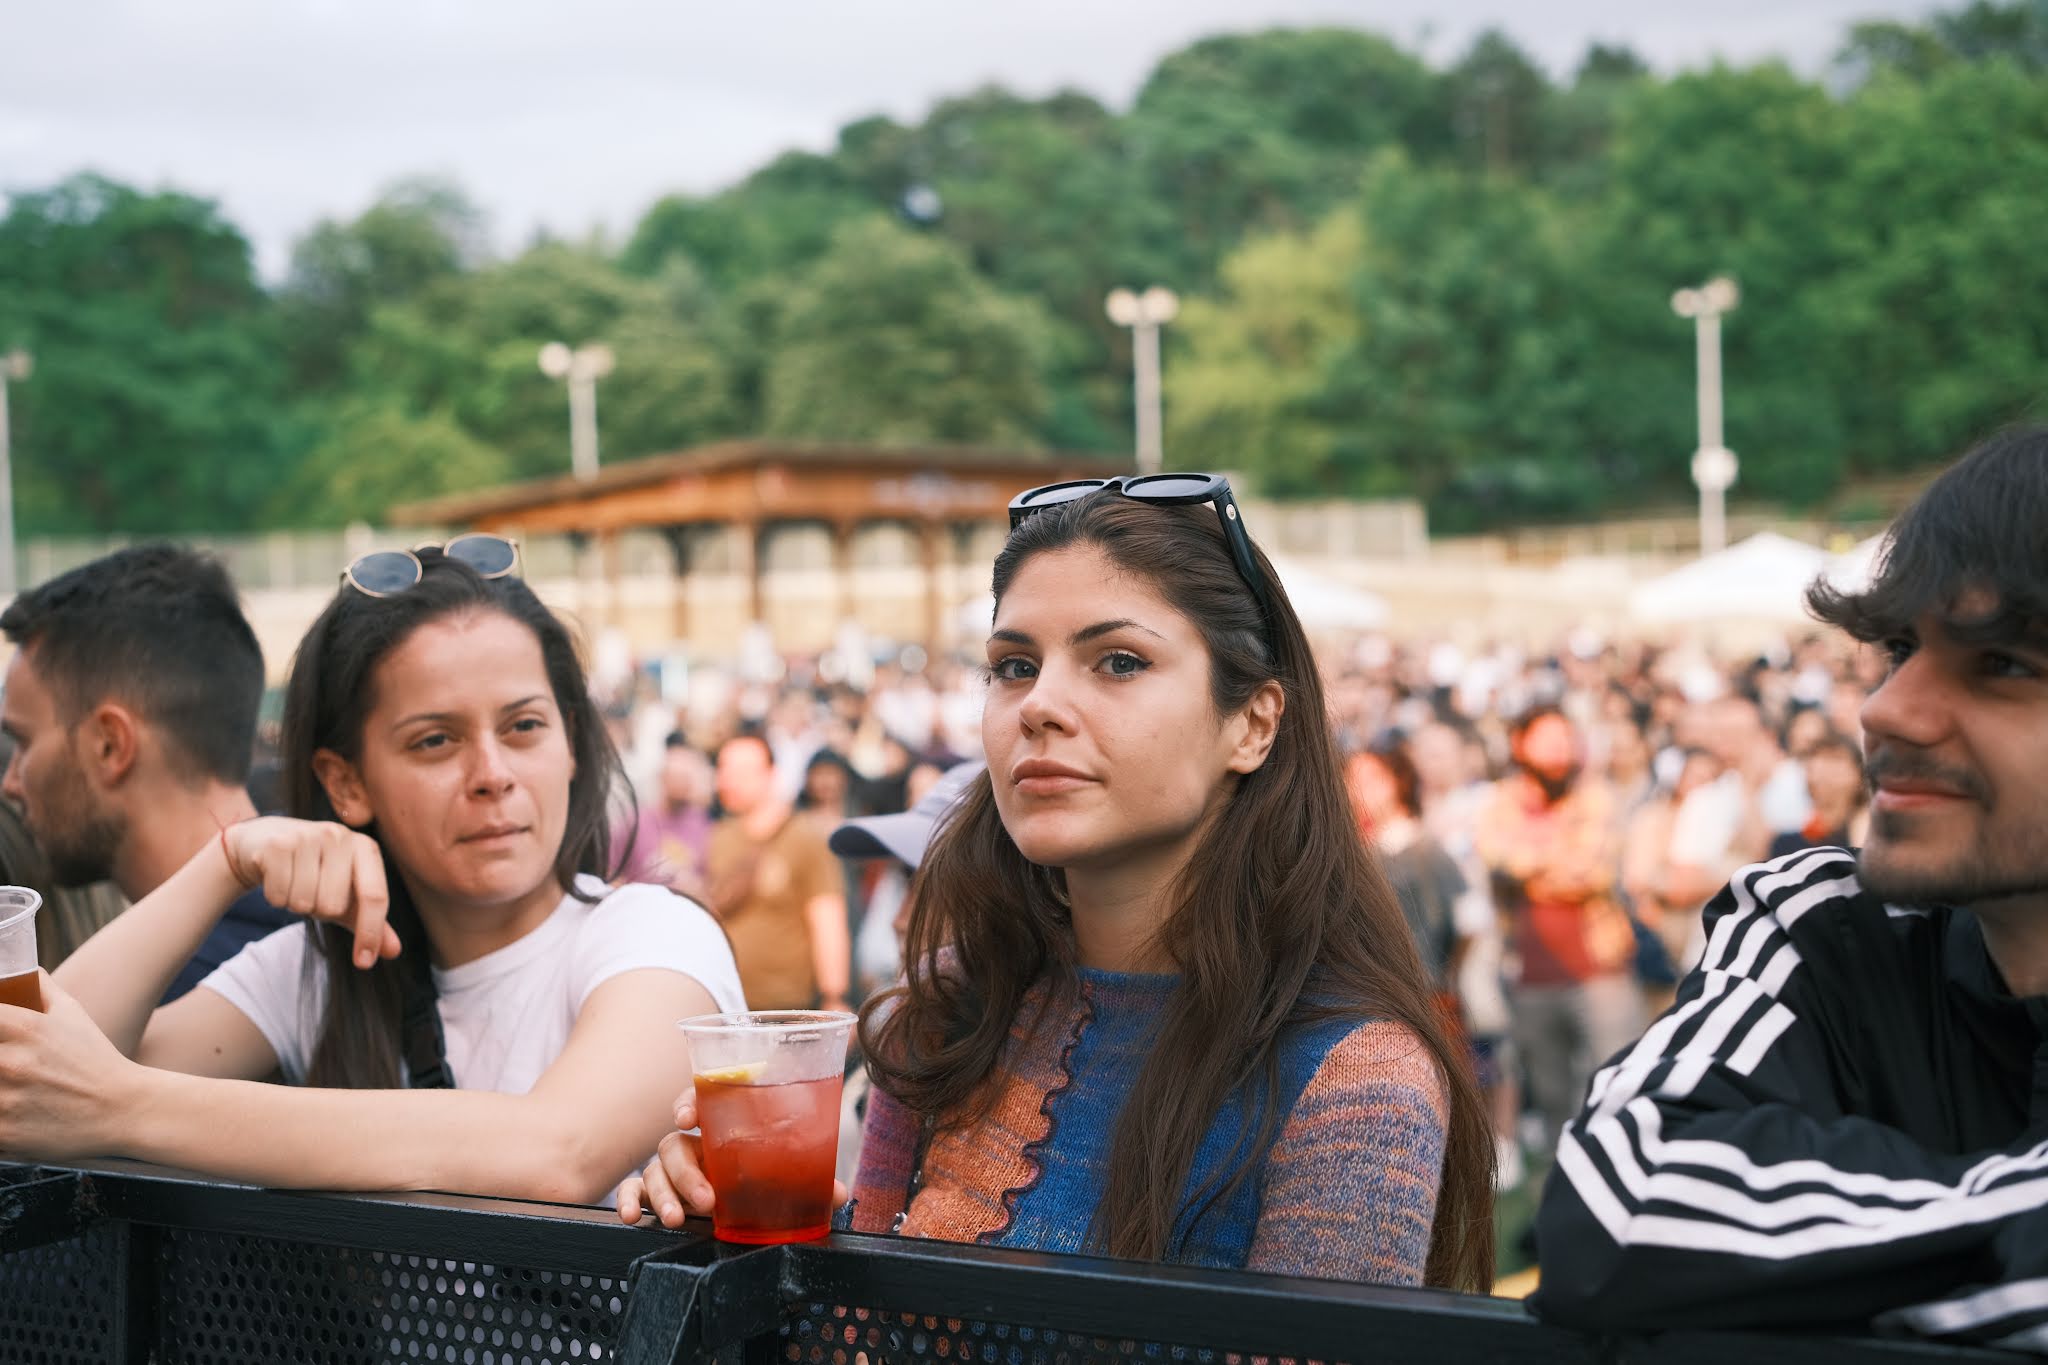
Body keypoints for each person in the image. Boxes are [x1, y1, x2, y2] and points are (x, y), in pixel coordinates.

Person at [625, 476, 1493, 1291]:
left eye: (1118, 661)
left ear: (1253, 724)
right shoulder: (950, 1013)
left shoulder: (1349, 1077)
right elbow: (857, 1341)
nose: (1040, 703)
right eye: (1013, 665)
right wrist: (755, 1243)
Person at [0, 539, 743, 1201]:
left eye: (523, 726)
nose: (492, 773)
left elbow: (558, 1151)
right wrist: (224, 861)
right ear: (346, 782)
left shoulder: (655, 933)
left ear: (572, 741)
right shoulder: (317, 971)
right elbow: (24, 1070)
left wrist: (126, 1104)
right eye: (434, 741)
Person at [1535, 426, 2048, 1351]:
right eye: (1896, 645)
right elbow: (1624, 1205)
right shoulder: (1827, 923)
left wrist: (1805, 1260)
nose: (1886, 707)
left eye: (2002, 663)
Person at [0, 544, 292, 998]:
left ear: (110, 745)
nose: (10, 781)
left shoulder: (183, 1003)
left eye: (23, 741)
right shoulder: (303, 931)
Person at [1476, 704, 1638, 1158]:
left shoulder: (1595, 797)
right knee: (1551, 1098)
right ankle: (1560, 1190)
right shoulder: (1499, 801)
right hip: (1531, 973)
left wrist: (1529, 858)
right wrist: (1554, 854)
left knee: (1619, 1087)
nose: (1559, 751)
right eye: (1547, 740)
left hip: (1600, 965)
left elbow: (1590, 872)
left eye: (1565, 739)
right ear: (1519, 744)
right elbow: (1494, 854)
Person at [706, 733, 851, 1012]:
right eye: (722, 770)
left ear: (771, 775)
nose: (725, 781)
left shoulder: (805, 835)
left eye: (740, 772)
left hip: (786, 1009)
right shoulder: (720, 835)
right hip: (728, 1004)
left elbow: (827, 917)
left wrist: (834, 996)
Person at [614, 732, 714, 899]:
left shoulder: (704, 824)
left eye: (685, 778)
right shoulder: (634, 822)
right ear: (662, 777)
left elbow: (710, 881)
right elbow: (611, 874)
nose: (680, 784)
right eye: (675, 776)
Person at [1768, 730, 1869, 858]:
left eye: (1834, 758)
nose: (1821, 766)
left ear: (1858, 774)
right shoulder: (1787, 843)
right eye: (1814, 759)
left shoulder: (1870, 833)